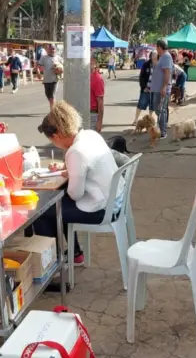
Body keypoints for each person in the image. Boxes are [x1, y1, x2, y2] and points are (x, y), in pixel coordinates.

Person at [31, 100, 125, 265]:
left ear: (57, 135)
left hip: (102, 208)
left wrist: (69, 175)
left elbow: (75, 194)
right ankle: (74, 253)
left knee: (42, 212)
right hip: (115, 199)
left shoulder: (75, 151)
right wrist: (68, 172)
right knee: (58, 204)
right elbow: (90, 169)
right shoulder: (90, 135)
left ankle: (52, 262)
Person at [150, 39, 173, 139]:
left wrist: (164, 87)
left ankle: (163, 132)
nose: (156, 49)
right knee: (158, 108)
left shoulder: (166, 57)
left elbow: (167, 73)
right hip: (157, 89)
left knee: (161, 109)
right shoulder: (162, 57)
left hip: (162, 89)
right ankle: (161, 128)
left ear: (160, 47)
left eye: (157, 47)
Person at [36, 44, 63, 108]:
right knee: (48, 95)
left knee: (52, 96)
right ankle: (55, 107)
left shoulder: (59, 58)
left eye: (53, 49)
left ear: (55, 50)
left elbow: (64, 68)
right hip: (46, 80)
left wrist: (60, 70)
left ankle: (53, 111)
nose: (52, 50)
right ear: (47, 50)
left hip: (55, 80)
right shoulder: (44, 58)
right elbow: (38, 66)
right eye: (50, 49)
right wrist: (38, 74)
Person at [133, 51, 156, 124]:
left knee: (152, 106)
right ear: (151, 56)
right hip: (146, 88)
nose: (155, 58)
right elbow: (141, 77)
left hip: (154, 89)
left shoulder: (159, 65)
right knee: (141, 104)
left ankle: (149, 120)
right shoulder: (146, 64)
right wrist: (144, 87)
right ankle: (136, 120)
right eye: (154, 56)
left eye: (156, 56)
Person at [90, 58, 104, 132]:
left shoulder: (97, 79)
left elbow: (100, 102)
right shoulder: (83, 77)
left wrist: (99, 122)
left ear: (95, 64)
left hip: (92, 114)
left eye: (91, 62)